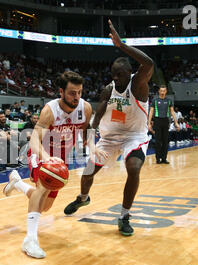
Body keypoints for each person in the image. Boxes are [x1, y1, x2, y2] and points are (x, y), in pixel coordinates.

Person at [63, 19, 154, 238]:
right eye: (113, 74)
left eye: (119, 74)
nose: (115, 77)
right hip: (110, 137)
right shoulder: (108, 89)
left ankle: (124, 216)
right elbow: (100, 112)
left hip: (134, 136)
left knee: (133, 167)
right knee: (87, 173)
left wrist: (122, 46)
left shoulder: (138, 84)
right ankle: (83, 198)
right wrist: (89, 134)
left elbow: (149, 64)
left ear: (129, 73)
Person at [3, 70, 93, 259]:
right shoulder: (50, 111)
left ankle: (17, 183)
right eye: (71, 93)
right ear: (61, 92)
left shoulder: (85, 109)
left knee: (45, 207)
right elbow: (34, 139)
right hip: (41, 154)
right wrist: (46, 157)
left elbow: (87, 130)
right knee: (42, 188)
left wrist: (91, 146)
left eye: (79, 92)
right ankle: (30, 240)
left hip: (61, 158)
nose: (76, 97)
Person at [148, 85, 180, 164]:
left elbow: (172, 112)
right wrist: (149, 123)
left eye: (164, 91)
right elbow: (151, 112)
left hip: (166, 121)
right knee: (158, 141)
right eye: (161, 91)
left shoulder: (169, 100)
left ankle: (164, 158)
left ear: (166, 92)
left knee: (165, 141)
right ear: (159, 91)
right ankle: (158, 158)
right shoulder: (155, 100)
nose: (162, 92)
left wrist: (176, 123)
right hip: (157, 121)